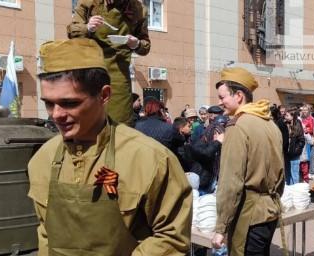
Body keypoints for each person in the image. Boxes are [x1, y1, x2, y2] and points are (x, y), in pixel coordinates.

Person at [27, 39, 191, 255]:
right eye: (49, 103)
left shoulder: (150, 159)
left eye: (70, 103)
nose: (56, 114)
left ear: (104, 95)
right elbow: (45, 234)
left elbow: (172, 239)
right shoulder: (42, 159)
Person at [211, 67, 285, 255]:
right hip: (270, 210)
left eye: (222, 97)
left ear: (239, 96)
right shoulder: (269, 123)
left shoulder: (237, 126)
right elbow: (281, 173)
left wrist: (221, 227)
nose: (219, 103)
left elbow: (230, 182)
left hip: (249, 215)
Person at [68, 0, 151, 126]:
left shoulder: (138, 9)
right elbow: (72, 31)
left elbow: (145, 46)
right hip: (89, 68)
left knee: (119, 124)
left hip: (119, 74)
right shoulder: (89, 2)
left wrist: (137, 44)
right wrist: (88, 28)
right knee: (86, 120)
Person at [284, 108, 306, 185]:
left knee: (294, 174)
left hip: (294, 154)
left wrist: (296, 150)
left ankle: (295, 192)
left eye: (287, 115)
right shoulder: (284, 124)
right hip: (286, 154)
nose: (285, 117)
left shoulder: (298, 124)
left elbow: (302, 140)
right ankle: (290, 191)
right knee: (287, 175)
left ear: (292, 116)